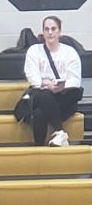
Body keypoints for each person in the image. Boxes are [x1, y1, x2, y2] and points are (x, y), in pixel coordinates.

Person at [22, 16, 83, 147]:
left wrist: (61, 86)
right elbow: (32, 76)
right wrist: (47, 84)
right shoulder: (34, 50)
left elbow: (76, 80)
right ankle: (60, 132)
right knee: (43, 96)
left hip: (64, 98)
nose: (50, 32)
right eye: (47, 29)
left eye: (53, 29)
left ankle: (39, 147)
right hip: (42, 94)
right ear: (43, 32)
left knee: (39, 113)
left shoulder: (70, 52)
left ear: (59, 32)